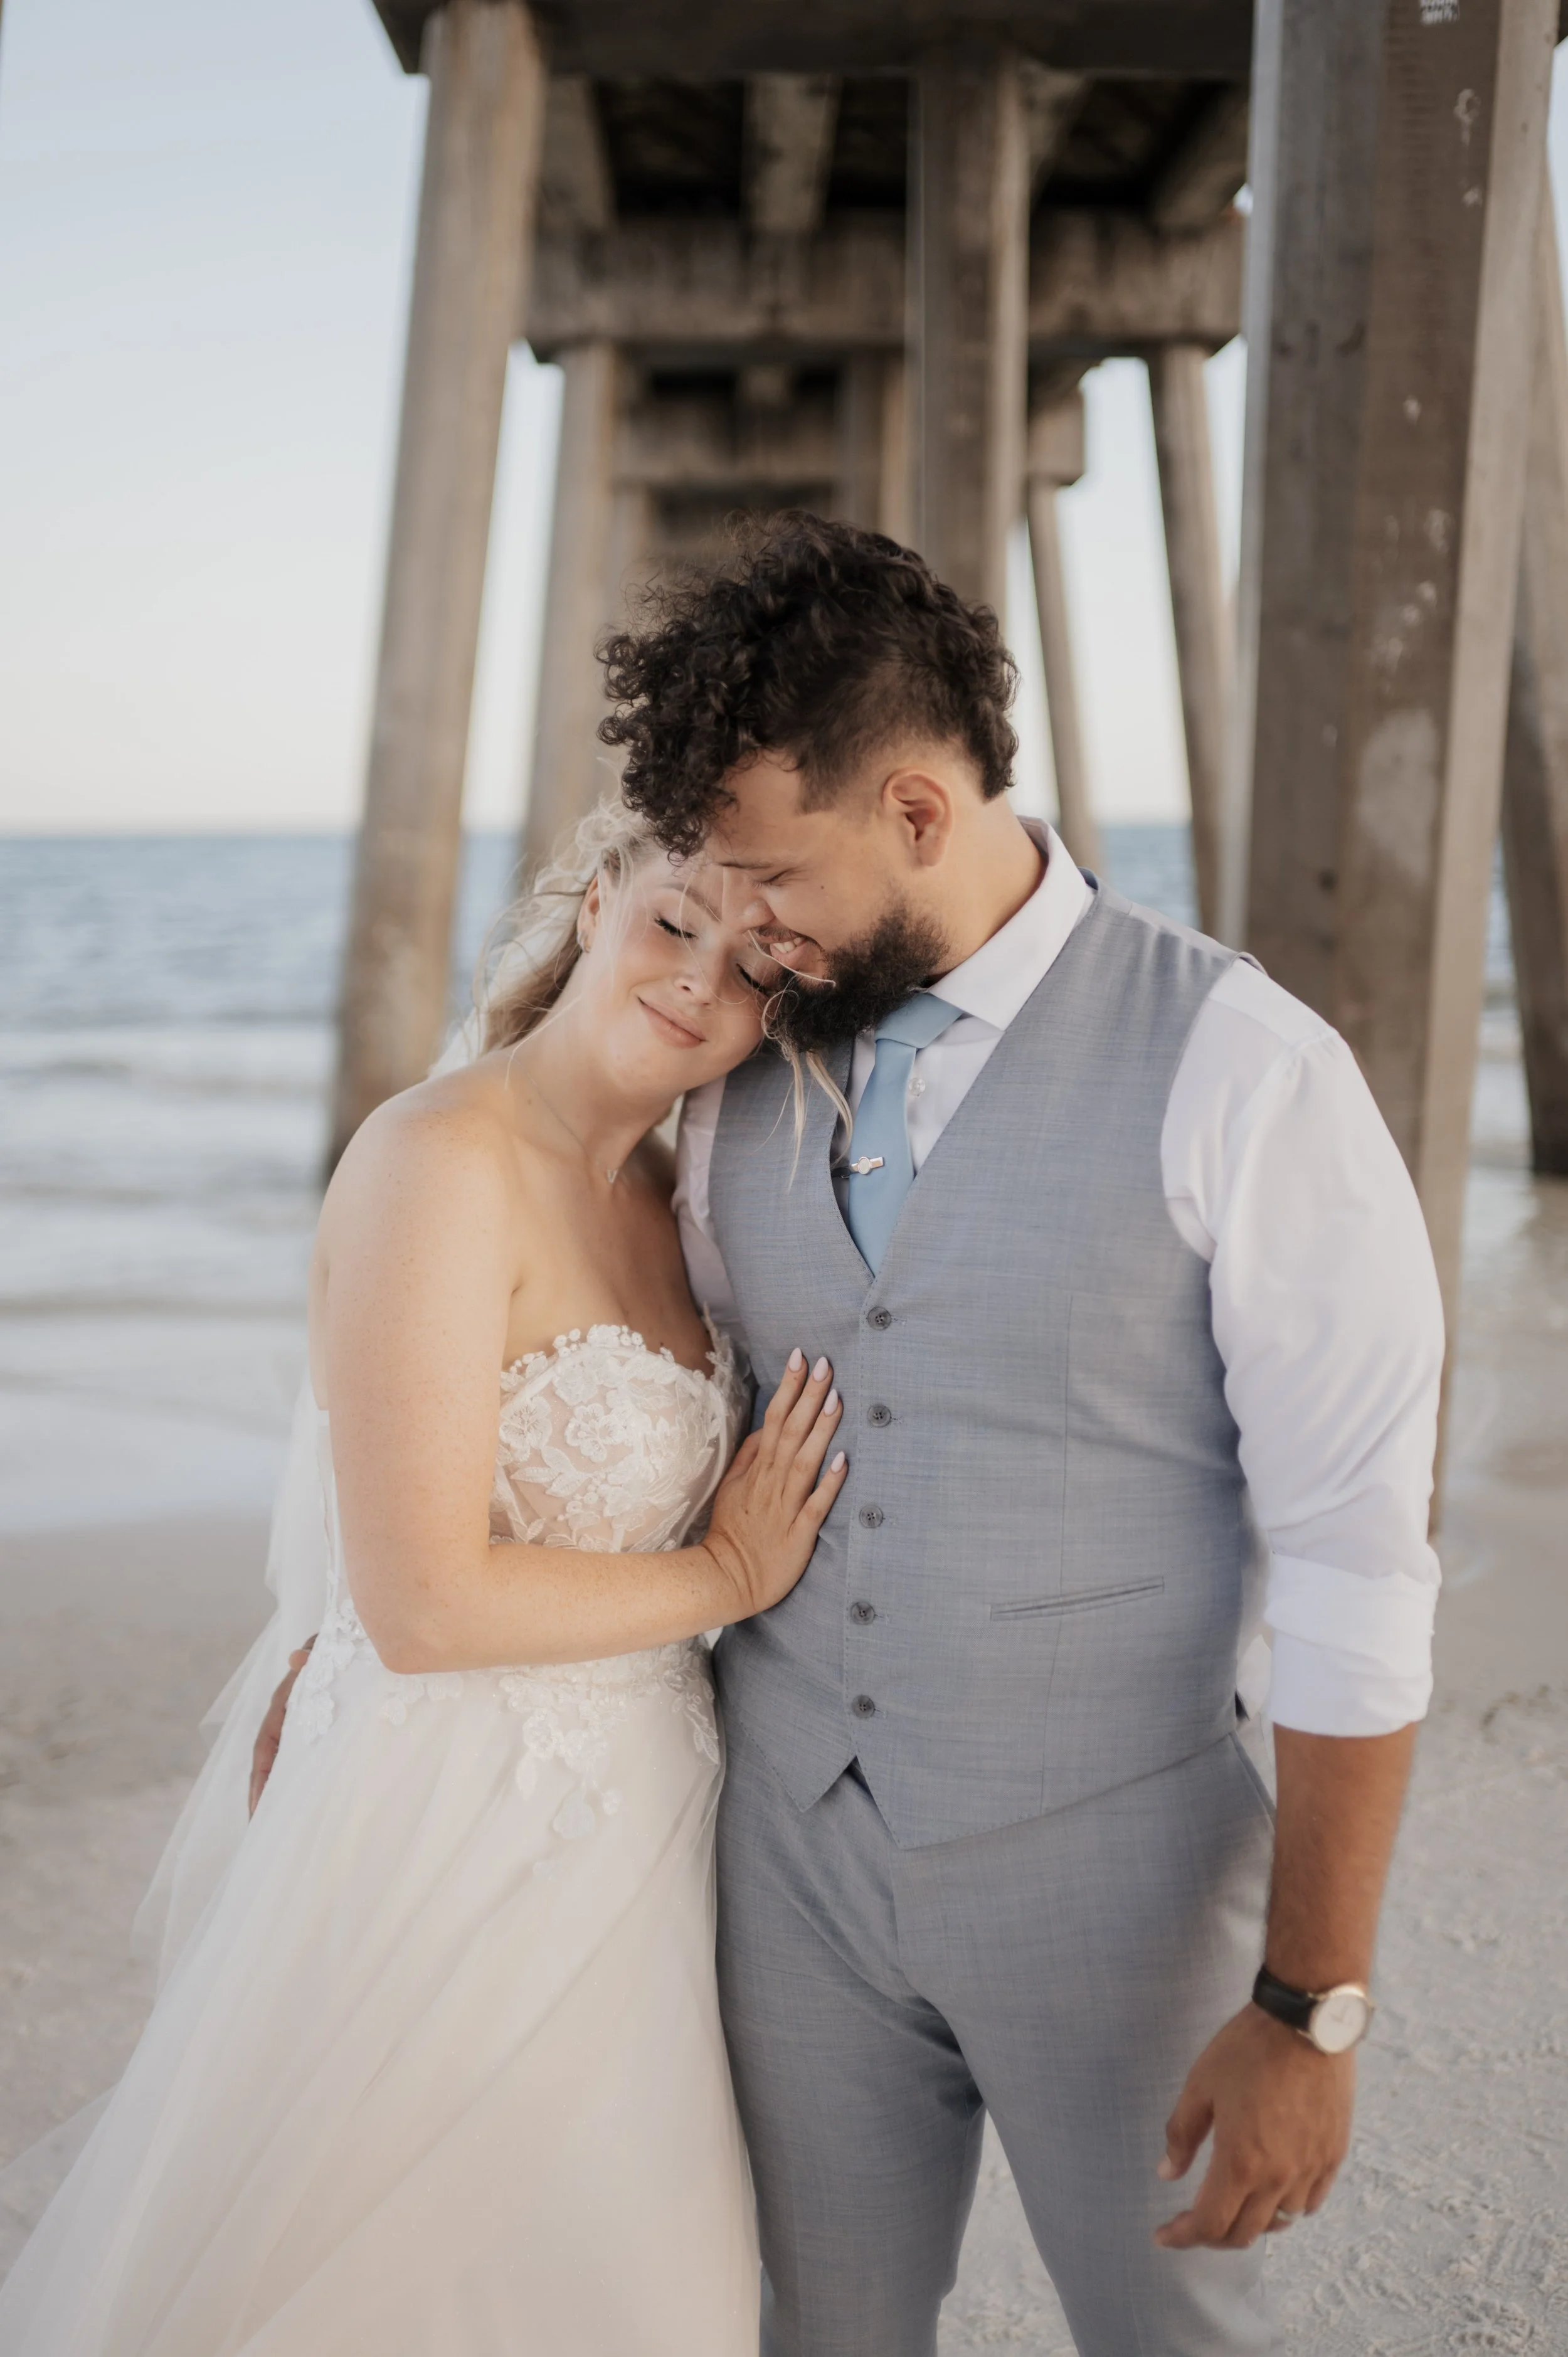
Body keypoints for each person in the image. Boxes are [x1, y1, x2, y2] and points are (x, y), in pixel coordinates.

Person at [603, 515, 1444, 2356]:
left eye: (769, 870)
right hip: (787, 1865)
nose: (742, 923)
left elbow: (1356, 1568)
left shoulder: (1245, 1067)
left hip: (1119, 1882)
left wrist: (1310, 2003)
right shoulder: (744, 1054)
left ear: (914, 809)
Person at [0, 800, 849, 2356]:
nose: (699, 983)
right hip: (455, 1822)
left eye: (755, 968)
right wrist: (730, 1565)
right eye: (674, 920)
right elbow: (422, 1602)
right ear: (594, 906)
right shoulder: (438, 1161)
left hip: (643, 1831)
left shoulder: (675, 1197)